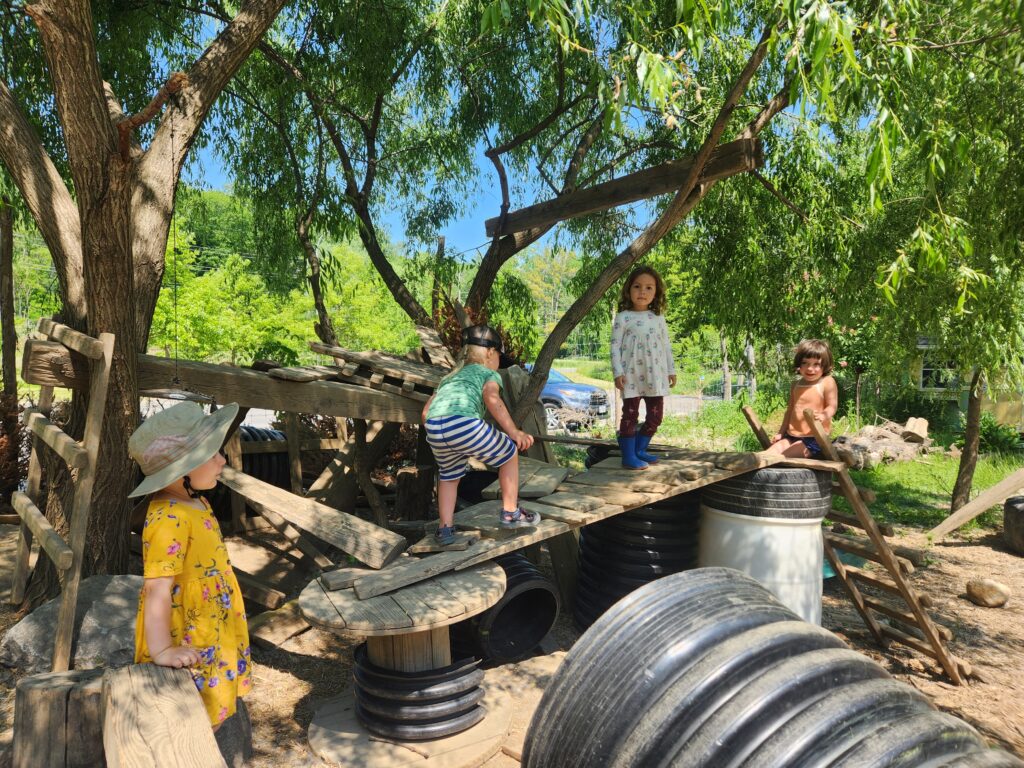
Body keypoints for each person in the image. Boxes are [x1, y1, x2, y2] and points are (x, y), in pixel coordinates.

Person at [128, 401, 251, 731]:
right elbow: (157, 588)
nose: (222, 460)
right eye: (212, 454)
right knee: (188, 717)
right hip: (188, 634)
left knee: (211, 708)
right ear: (183, 468)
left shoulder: (196, 501)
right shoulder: (169, 517)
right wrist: (164, 649)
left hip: (212, 622)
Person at [422, 325, 537, 545]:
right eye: (498, 358)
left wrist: (443, 434)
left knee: (448, 476)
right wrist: (514, 432)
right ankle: (511, 512)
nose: (498, 363)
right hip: (464, 422)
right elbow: (492, 399)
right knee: (509, 453)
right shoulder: (488, 373)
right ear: (490, 353)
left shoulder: (449, 378)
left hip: (435, 428)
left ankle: (445, 529)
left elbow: (426, 413)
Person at [611, 265, 676, 470]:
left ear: (656, 292)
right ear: (629, 290)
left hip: (655, 375)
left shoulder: (658, 318)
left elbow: (666, 345)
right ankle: (628, 456)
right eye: (637, 286)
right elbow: (614, 346)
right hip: (631, 376)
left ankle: (639, 450)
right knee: (630, 415)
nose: (642, 292)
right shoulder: (623, 317)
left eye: (649, 287)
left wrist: (671, 370)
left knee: (655, 417)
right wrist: (617, 372)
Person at [767, 339, 839, 458]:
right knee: (768, 454)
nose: (810, 368)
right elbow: (789, 411)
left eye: (816, 364)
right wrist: (780, 433)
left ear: (825, 365)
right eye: (805, 363)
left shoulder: (826, 382)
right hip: (792, 435)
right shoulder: (796, 384)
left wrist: (823, 415)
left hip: (815, 438)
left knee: (782, 458)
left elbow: (832, 406)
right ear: (799, 364)